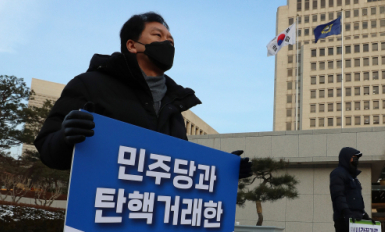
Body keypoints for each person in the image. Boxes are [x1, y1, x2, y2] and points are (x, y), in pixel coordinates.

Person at [35, 12, 251, 178]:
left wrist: (222, 171)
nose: (167, 43)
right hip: (103, 218)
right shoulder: (90, 84)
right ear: (132, 45)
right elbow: (48, 150)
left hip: (152, 221)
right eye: (158, 35)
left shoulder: (173, 106)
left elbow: (178, 166)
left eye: (171, 40)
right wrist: (64, 137)